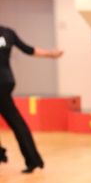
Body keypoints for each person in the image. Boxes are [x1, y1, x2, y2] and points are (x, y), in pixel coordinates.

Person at [0, 25, 63, 173]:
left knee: (17, 123)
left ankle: (31, 159)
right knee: (17, 123)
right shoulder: (8, 33)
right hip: (6, 81)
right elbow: (28, 49)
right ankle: (32, 159)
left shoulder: (7, 33)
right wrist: (50, 54)